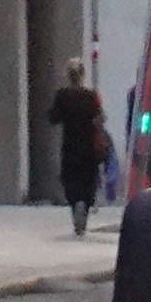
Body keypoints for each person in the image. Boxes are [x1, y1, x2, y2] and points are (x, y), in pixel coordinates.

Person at [47, 59, 111, 236]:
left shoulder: (62, 95)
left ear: (69, 75)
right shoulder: (91, 95)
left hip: (70, 145)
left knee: (70, 179)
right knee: (88, 179)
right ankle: (85, 207)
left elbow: (53, 118)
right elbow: (101, 117)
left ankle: (76, 205)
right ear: (82, 75)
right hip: (88, 146)